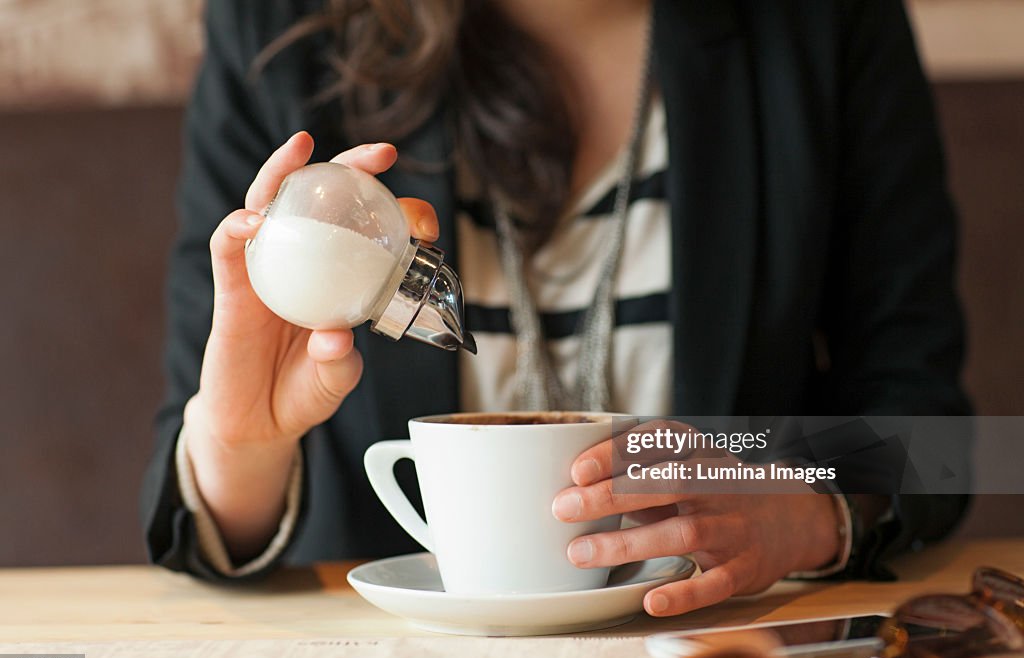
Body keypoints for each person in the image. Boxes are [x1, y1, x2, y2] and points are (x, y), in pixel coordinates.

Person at [142, 0, 970, 617]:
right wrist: (239, 445)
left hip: (720, 646)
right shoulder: (283, 31)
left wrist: (805, 510)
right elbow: (204, 516)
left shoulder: (822, 24)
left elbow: (941, 444)